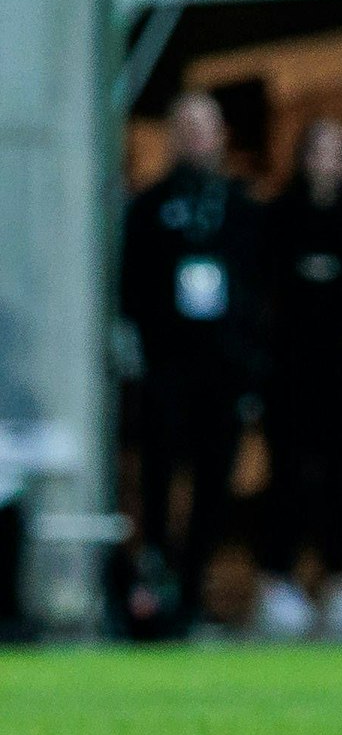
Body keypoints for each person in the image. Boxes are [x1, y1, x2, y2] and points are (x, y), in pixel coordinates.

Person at [119, 92, 262, 634]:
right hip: (168, 366)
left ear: (220, 135)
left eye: (204, 127)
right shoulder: (150, 207)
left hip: (222, 369)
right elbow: (131, 289)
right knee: (158, 477)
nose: (195, 138)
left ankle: (197, 589)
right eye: (185, 127)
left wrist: (249, 359)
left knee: (214, 479)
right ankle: (154, 593)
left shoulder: (242, 207)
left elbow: (256, 290)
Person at [256, 119, 342, 639]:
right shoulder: (279, 219)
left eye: (337, 152)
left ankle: (337, 581)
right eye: (319, 150)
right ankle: (277, 581)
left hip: (341, 380)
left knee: (340, 479)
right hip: (289, 377)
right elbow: (261, 295)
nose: (327, 163)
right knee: (288, 476)